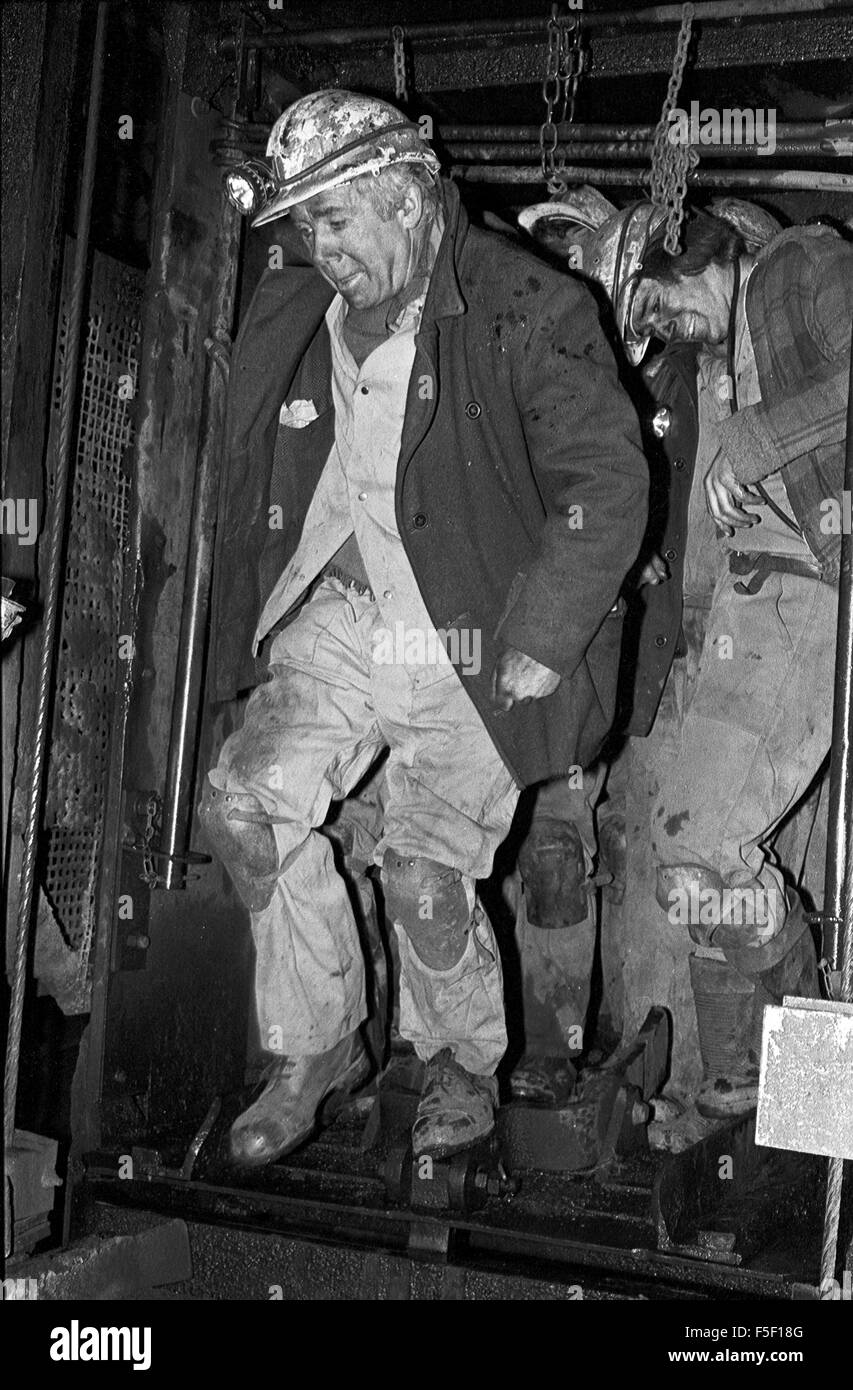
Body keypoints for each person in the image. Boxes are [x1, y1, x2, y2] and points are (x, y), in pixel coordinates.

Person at [200, 92, 648, 1167]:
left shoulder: (521, 303)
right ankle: (314, 1048)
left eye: (340, 218)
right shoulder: (300, 304)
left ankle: (457, 1058)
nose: (324, 247)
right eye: (307, 224)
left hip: (471, 626)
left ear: (406, 199)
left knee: (421, 872)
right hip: (352, 613)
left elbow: (606, 478)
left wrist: (541, 634)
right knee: (241, 808)